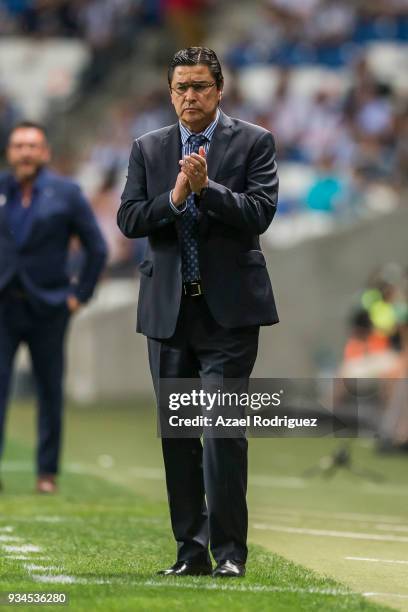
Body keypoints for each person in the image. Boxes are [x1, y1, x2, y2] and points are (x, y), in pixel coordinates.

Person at [118, 47, 279, 578]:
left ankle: (230, 553)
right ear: (170, 93)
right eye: (182, 87)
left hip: (229, 316)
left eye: (201, 87)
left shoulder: (254, 142)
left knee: (223, 430)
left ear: (220, 89)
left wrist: (208, 191)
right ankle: (191, 553)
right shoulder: (148, 148)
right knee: (179, 435)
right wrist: (177, 195)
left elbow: (260, 212)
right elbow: (130, 220)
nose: (191, 96)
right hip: (168, 314)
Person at [0, 121, 107, 493]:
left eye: (33, 146)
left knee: (49, 391)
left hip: (49, 307)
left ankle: (47, 473)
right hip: (3, 308)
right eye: (19, 146)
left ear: (44, 152)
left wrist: (81, 295)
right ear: (10, 152)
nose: (25, 152)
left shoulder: (66, 193)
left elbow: (97, 247)